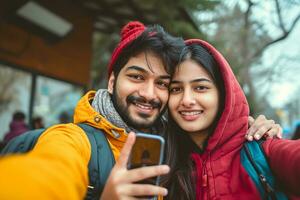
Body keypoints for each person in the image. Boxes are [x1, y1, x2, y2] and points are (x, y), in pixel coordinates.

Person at [0, 22, 282, 199]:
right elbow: (47, 173)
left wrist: (245, 127)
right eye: (136, 77)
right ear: (112, 81)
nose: (148, 93)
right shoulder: (73, 139)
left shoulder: (176, 144)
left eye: (162, 83)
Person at [161, 39, 300, 199]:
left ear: (223, 93)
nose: (186, 100)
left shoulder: (260, 150)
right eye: (176, 89)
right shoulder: (162, 161)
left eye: (200, 87)